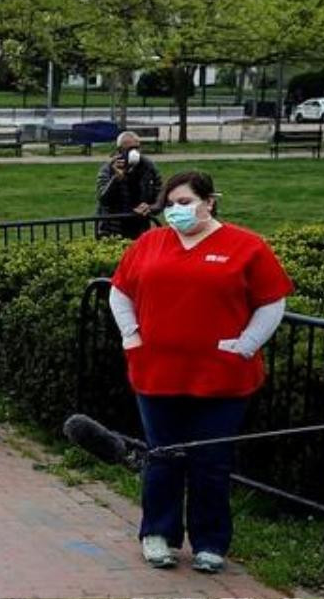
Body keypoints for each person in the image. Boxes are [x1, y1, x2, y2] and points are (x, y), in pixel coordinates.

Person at [108, 170, 292, 573]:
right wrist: (131, 335)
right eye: (170, 204)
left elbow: (271, 301)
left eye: (186, 202)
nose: (177, 211)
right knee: (163, 457)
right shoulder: (149, 243)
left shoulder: (246, 246)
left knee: (211, 460)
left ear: (209, 201)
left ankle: (210, 541)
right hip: (157, 372)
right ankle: (158, 534)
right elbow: (120, 291)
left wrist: (247, 344)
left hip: (222, 376)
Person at [96, 131, 163, 239]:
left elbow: (160, 195)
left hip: (140, 229)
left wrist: (150, 208)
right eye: (130, 149)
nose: (135, 152)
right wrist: (116, 179)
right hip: (112, 229)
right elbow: (103, 199)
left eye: (137, 148)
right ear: (119, 151)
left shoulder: (148, 168)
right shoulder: (108, 169)